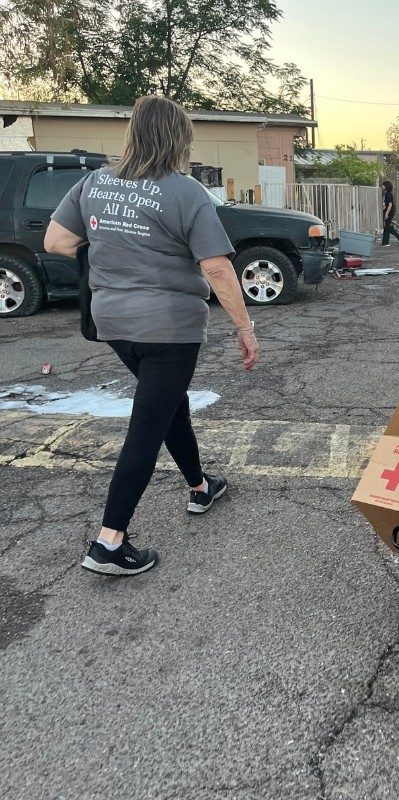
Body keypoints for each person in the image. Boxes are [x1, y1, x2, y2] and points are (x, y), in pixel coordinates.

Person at [44, 95, 260, 577]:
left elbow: (56, 241)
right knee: (147, 425)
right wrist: (245, 328)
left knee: (166, 405)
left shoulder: (95, 182)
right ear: (178, 139)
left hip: (114, 322)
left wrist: (110, 244)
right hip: (169, 328)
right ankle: (109, 542)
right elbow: (217, 267)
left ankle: (200, 486)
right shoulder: (185, 192)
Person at [381, 179, 399, 247]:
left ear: (386, 186)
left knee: (386, 227)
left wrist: (387, 213)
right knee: (387, 227)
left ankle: (386, 242)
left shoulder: (388, 194)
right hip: (388, 212)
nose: (382, 186)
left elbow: (390, 204)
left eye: (383, 185)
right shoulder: (386, 193)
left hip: (389, 212)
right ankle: (398, 237)